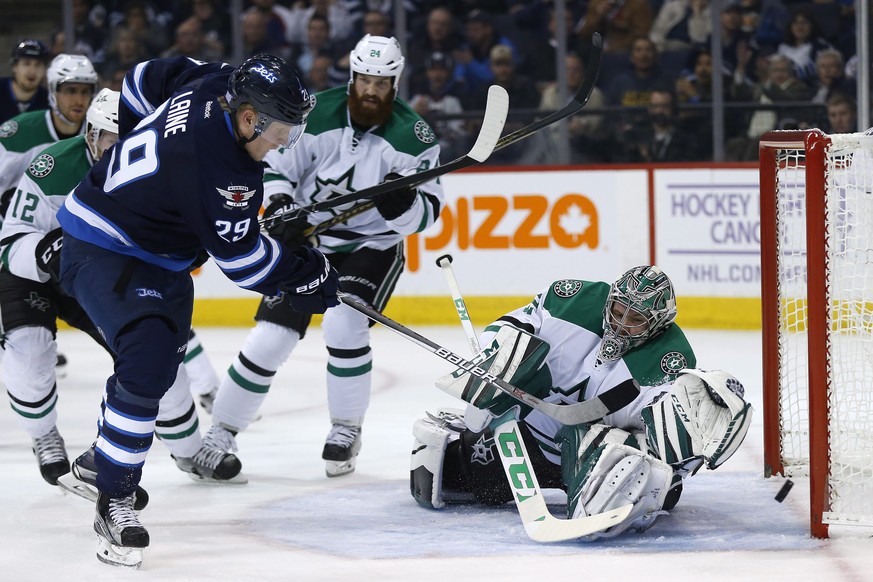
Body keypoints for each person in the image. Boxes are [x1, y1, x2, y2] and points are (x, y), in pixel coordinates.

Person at [55, 54, 339, 568]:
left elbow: (144, 76)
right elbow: (246, 265)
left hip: (157, 251)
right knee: (147, 361)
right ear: (249, 117)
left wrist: (150, 151)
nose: (283, 143)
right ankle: (114, 497)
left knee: (160, 367)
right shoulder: (222, 169)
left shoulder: (218, 80)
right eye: (280, 130)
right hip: (104, 246)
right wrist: (308, 273)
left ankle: (101, 462)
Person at [204, 34, 444, 479]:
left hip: (372, 245)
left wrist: (404, 209)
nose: (372, 90)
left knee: (344, 319)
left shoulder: (415, 138)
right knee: (271, 336)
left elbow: (428, 212)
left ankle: (345, 429)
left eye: (382, 82)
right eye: (365, 79)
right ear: (352, 76)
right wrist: (279, 206)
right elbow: (277, 167)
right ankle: (221, 432)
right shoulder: (312, 114)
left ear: (395, 83)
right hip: (311, 240)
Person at [409, 265, 753, 540]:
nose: (621, 324)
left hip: (591, 455)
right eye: (618, 310)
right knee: (459, 479)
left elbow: (668, 441)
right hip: (532, 435)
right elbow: (513, 325)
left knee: (636, 485)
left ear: (659, 324)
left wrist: (670, 466)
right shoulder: (570, 300)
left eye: (636, 320)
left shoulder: (669, 361)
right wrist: (495, 357)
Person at [0, 89, 120, 487]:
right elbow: (10, 241)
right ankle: (43, 434)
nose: (116, 148)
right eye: (108, 138)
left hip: (92, 275)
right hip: (33, 272)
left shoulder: (146, 173)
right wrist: (44, 250)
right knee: (29, 352)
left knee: (149, 351)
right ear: (91, 134)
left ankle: (188, 448)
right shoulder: (49, 163)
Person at [0, 54, 97, 222]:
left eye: (85, 91)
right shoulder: (16, 135)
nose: (79, 100)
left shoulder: (100, 136)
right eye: (70, 91)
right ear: (53, 91)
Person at [0, 39, 51, 123]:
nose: (32, 71)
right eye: (26, 63)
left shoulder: (49, 102)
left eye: (38, 65)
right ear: (14, 67)